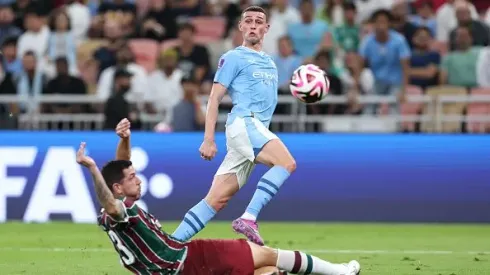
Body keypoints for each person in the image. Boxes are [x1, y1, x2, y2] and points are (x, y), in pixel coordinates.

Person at [75, 118, 361, 275]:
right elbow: (109, 199)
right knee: (266, 254)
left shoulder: (118, 209)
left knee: (268, 271)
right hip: (186, 262)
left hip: (180, 264)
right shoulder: (118, 214)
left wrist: (124, 140)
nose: (137, 178)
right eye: (132, 178)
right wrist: (90, 168)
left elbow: (118, 174)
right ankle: (339, 272)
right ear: (116, 189)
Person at [171, 6, 295, 246]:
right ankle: (249, 218)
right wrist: (208, 138)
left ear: (266, 28)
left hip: (253, 132)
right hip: (244, 124)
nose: (253, 25)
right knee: (287, 163)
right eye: (248, 21)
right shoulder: (233, 57)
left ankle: (167, 247)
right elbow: (214, 98)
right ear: (240, 27)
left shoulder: (269, 62)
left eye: (259, 21)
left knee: (216, 200)